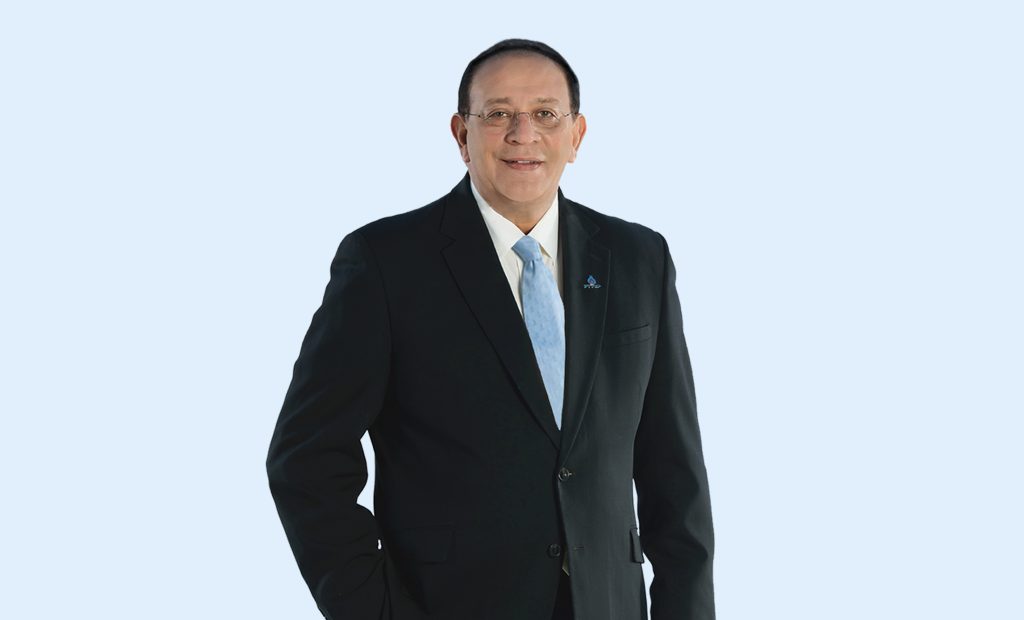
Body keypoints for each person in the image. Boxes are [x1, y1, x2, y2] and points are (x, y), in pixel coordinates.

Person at [266, 38, 716, 620]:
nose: (523, 135)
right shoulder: (386, 262)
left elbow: (674, 472)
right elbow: (306, 462)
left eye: (546, 114)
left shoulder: (638, 258)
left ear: (576, 135)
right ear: (462, 134)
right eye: (499, 114)